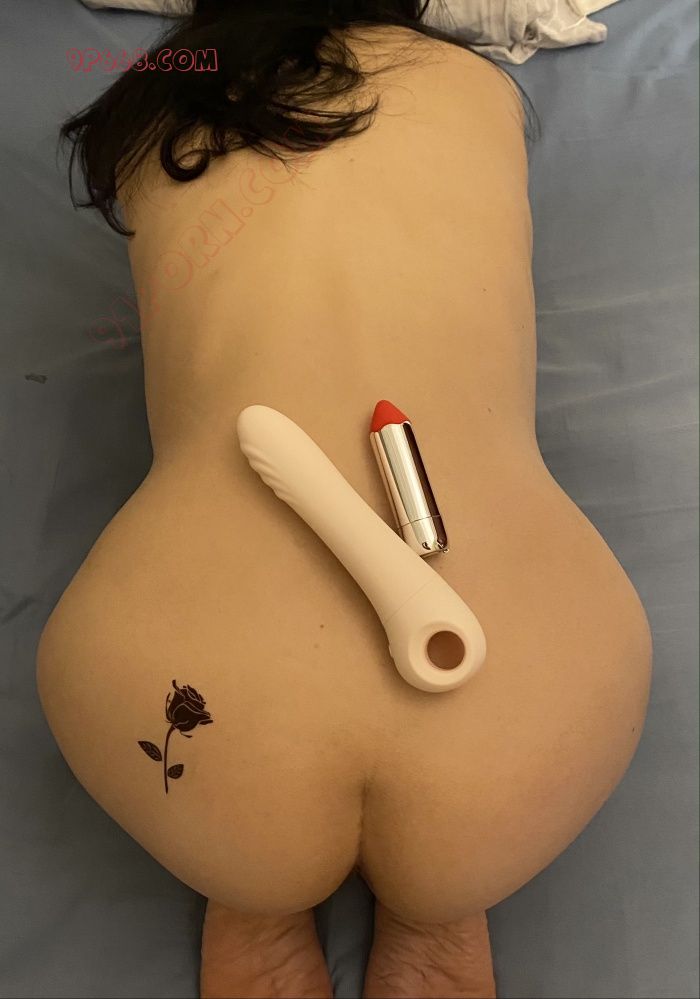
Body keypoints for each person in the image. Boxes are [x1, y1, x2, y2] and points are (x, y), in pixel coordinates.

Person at [37, 2, 653, 996]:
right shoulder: (476, 88)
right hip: (528, 729)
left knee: (247, 842)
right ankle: (441, 900)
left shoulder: (156, 108)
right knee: (458, 840)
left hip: (185, 730)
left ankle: (253, 895)